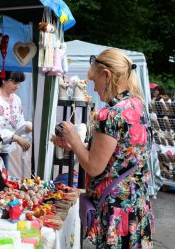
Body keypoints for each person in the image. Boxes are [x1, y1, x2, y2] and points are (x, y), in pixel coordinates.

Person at [53, 48, 154, 248]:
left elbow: (94, 166)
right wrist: (77, 146)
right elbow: (118, 157)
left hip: (115, 210)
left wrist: (73, 139)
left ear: (107, 76)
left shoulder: (110, 115)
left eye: (94, 81)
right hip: (137, 207)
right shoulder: (138, 107)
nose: (94, 89)